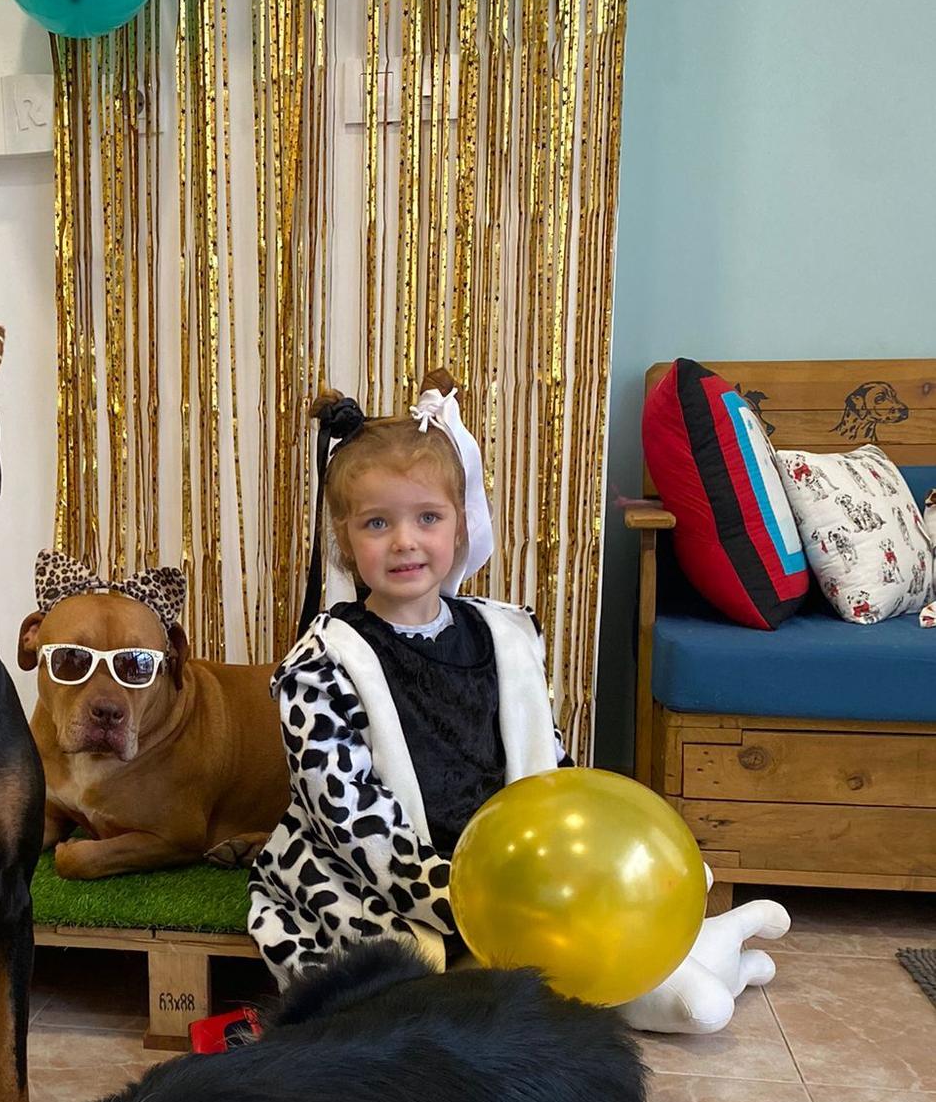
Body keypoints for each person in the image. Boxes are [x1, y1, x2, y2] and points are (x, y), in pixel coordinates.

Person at [248, 379, 789, 1035]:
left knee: (580, 932)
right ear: (345, 538)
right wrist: (475, 900)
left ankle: (706, 956)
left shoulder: (504, 633)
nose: (404, 542)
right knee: (426, 988)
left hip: (509, 862)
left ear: (461, 521)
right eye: (376, 523)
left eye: (427, 517)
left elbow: (550, 766)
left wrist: (571, 871)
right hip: (392, 879)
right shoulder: (322, 664)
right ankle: (707, 968)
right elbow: (355, 824)